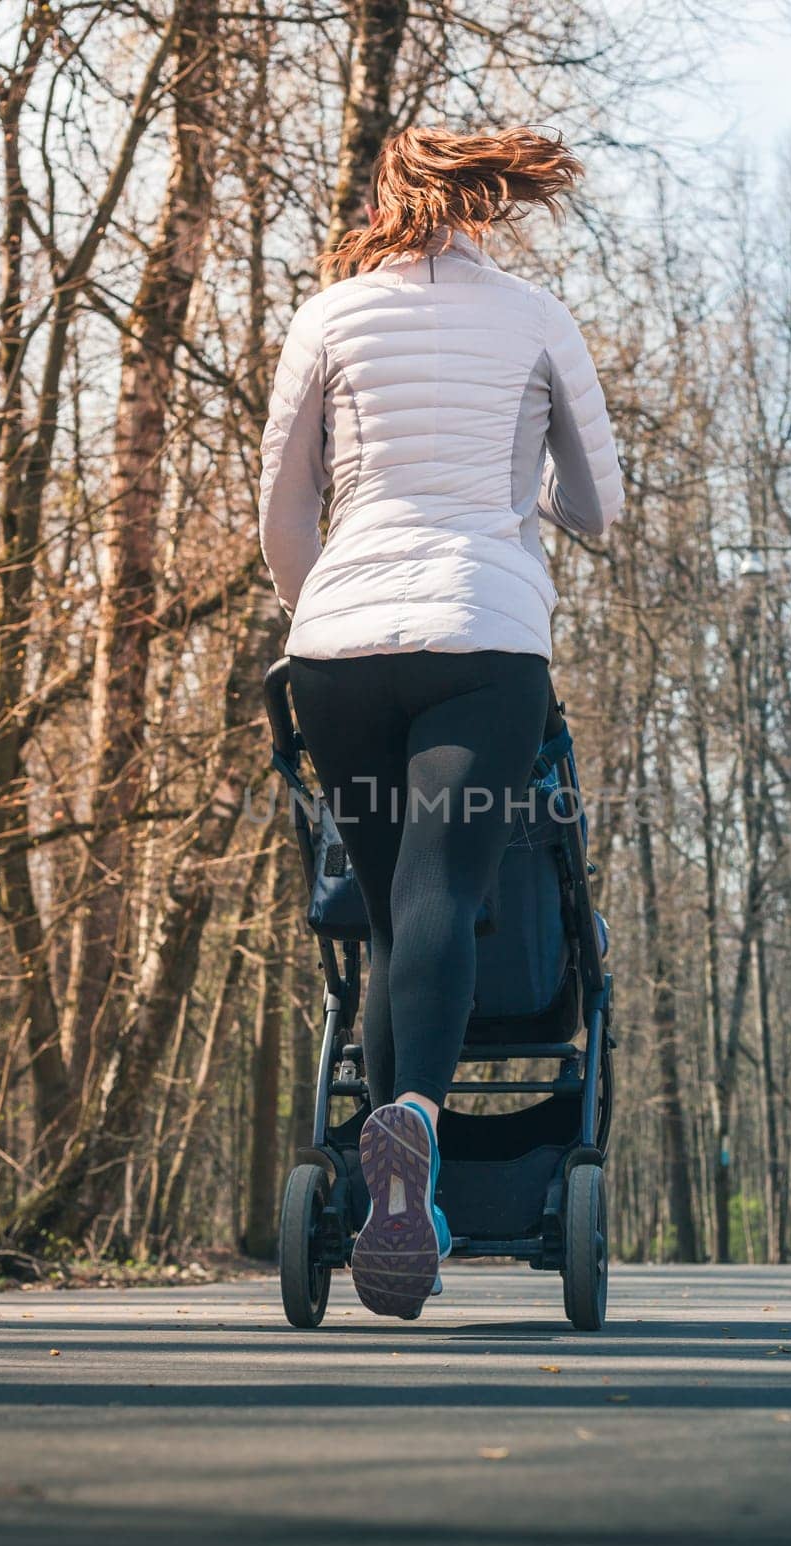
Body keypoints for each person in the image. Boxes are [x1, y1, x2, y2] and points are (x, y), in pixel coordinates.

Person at [258, 124, 623, 1319]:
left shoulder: (327, 315)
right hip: (483, 640)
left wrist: (325, 607)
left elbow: (281, 505)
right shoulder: (534, 316)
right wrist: (529, 494)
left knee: (380, 910)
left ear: (387, 202)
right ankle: (413, 1125)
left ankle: (385, 1183)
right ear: (483, 204)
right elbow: (598, 509)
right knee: (438, 898)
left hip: (340, 652)